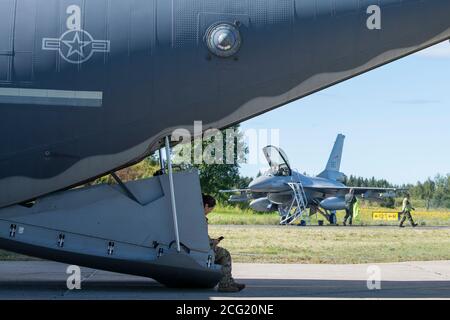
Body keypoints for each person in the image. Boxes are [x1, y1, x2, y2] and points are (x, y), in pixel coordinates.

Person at [202, 194, 245, 292]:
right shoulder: (200, 219)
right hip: (200, 249)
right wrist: (213, 242)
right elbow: (200, 239)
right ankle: (225, 284)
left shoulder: (192, 216)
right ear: (206, 206)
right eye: (210, 209)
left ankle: (229, 281)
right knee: (224, 253)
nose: (209, 212)